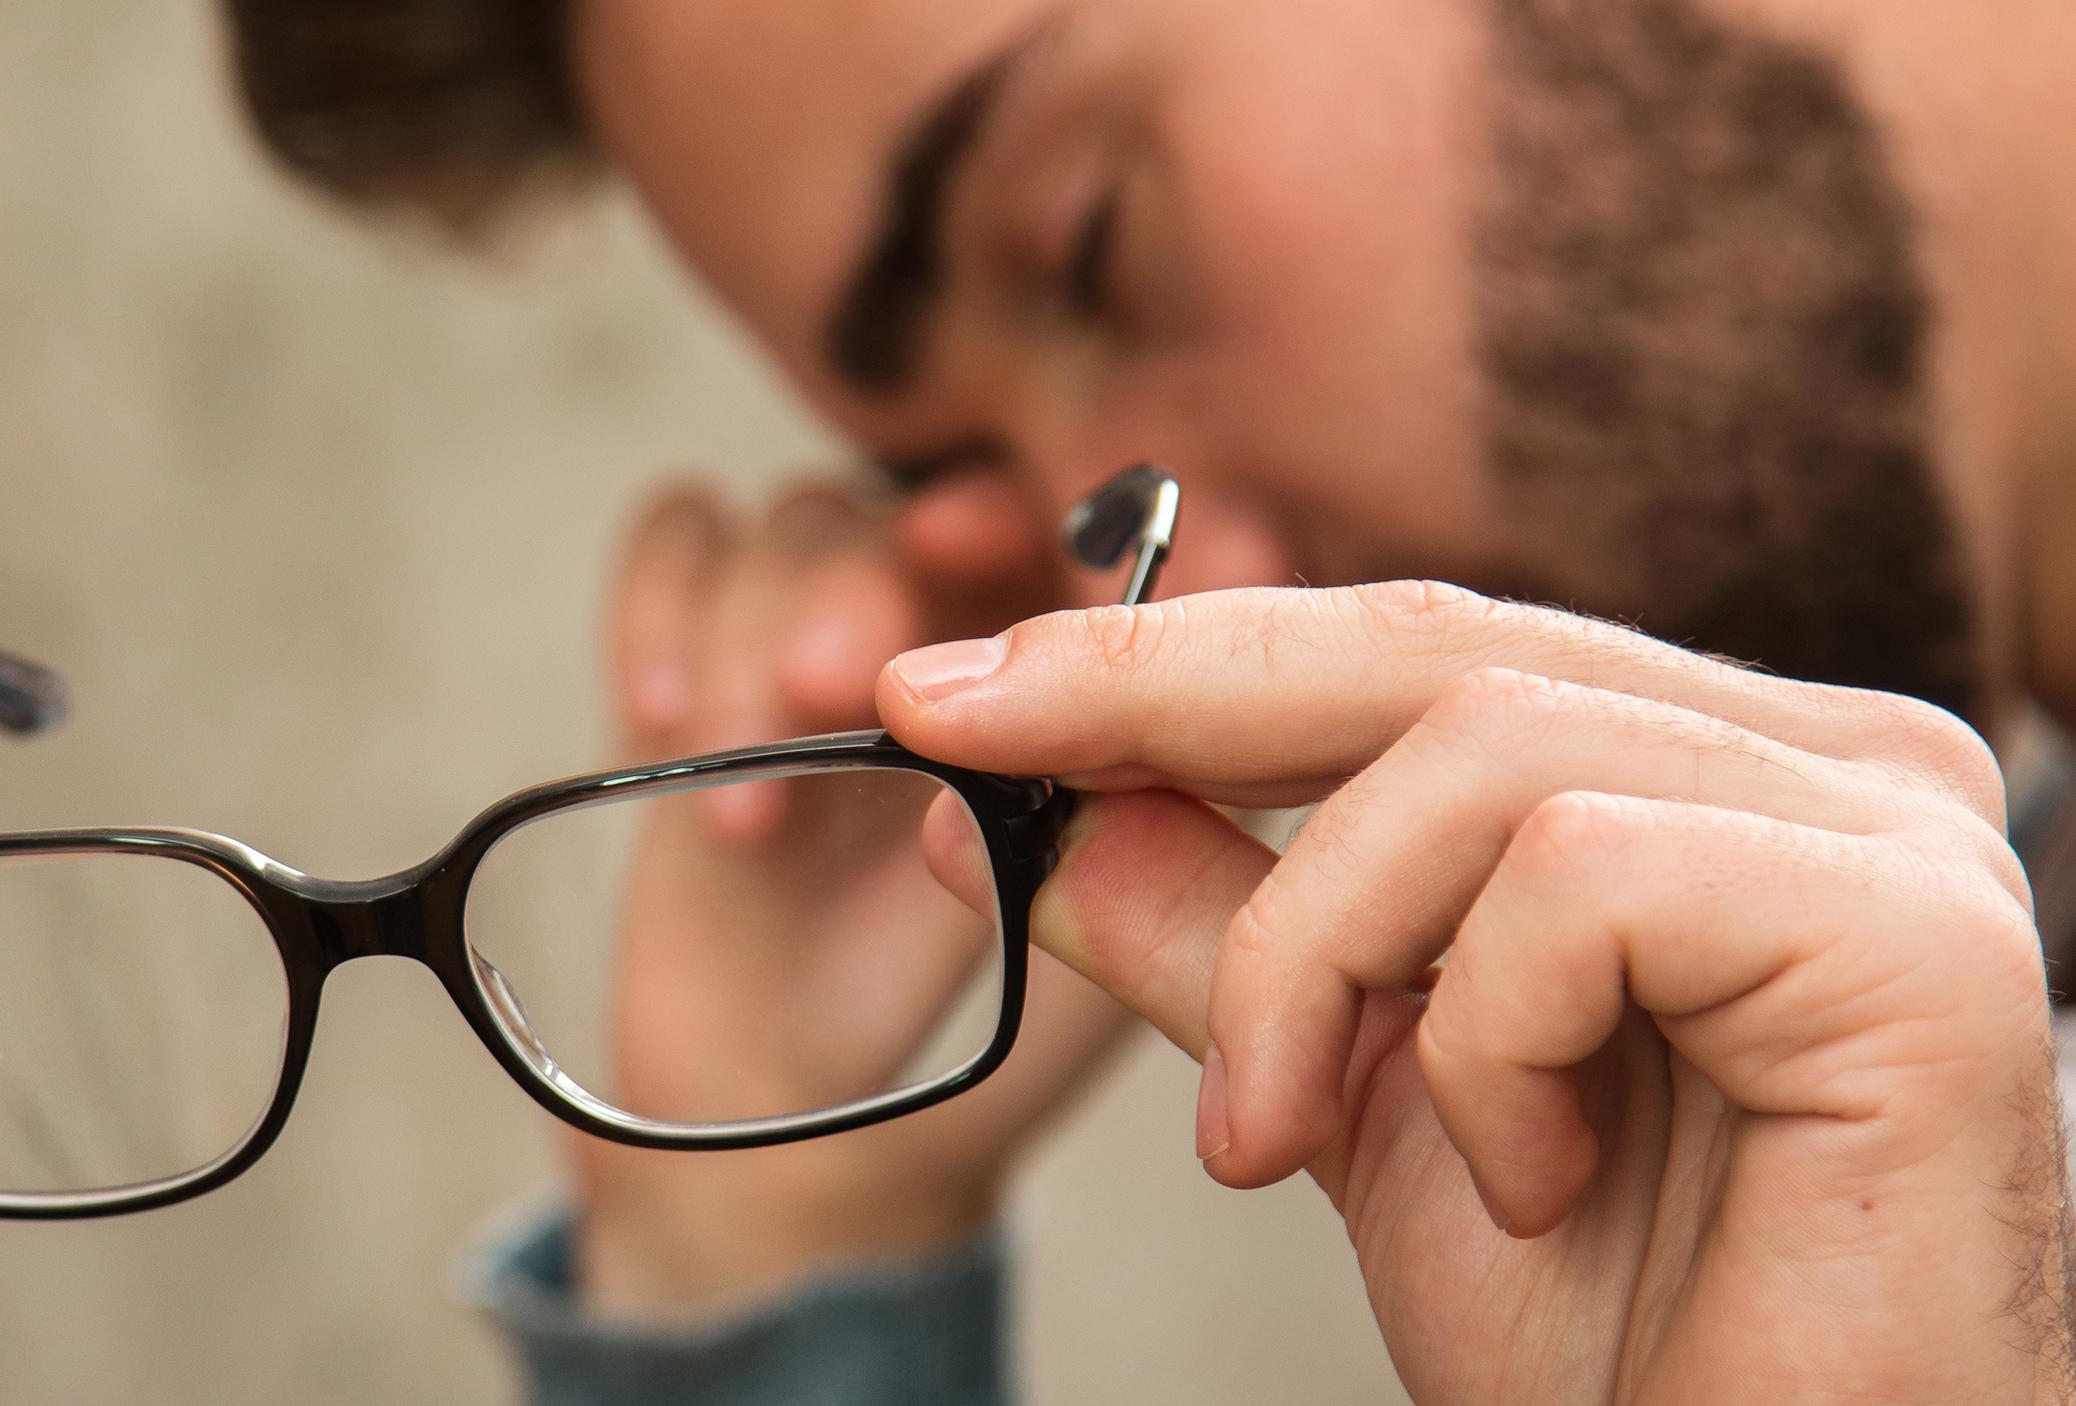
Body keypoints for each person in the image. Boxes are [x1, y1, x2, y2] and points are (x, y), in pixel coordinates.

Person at [218, 0, 2076, 1400]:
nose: (1199, 598)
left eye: (1094, 235)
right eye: (965, 473)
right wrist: (764, 1248)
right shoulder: (1906, 1175)